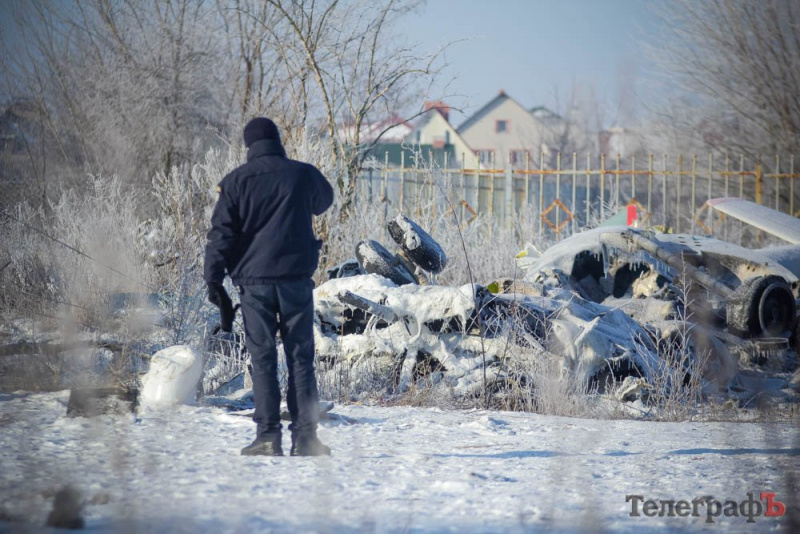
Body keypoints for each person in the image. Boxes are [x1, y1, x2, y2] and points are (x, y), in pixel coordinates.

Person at [204, 117, 334, 456]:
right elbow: (324, 201)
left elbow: (221, 235)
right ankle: (306, 439)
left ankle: (267, 437)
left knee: (262, 359)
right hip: (294, 280)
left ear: (248, 145)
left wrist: (213, 279)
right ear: (278, 140)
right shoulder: (302, 173)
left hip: (254, 284)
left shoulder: (235, 182)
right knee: (301, 357)